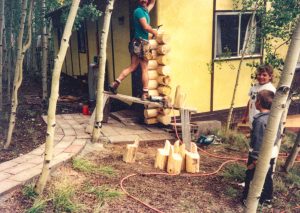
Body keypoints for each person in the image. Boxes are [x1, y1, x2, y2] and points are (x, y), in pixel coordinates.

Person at [109, 0, 157, 100]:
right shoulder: (139, 11)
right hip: (142, 43)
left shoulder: (145, 11)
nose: (144, 0)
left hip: (136, 42)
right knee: (144, 69)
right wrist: (155, 32)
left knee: (133, 66)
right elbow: (146, 27)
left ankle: (116, 83)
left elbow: (152, 3)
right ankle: (145, 93)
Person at [242, 90, 280, 206]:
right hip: (271, 153)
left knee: (250, 175)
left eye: (255, 100)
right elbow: (275, 135)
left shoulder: (259, 120)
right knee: (267, 175)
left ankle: (248, 198)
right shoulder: (274, 117)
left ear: (258, 102)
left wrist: (255, 159)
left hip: (259, 155)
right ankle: (267, 198)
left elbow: (258, 141)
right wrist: (251, 134)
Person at [242, 65, 276, 129]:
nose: (261, 77)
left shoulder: (270, 90)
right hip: (253, 118)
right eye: (259, 74)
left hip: (261, 121)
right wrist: (245, 115)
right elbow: (251, 101)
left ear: (270, 76)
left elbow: (271, 107)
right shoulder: (254, 87)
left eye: (264, 75)